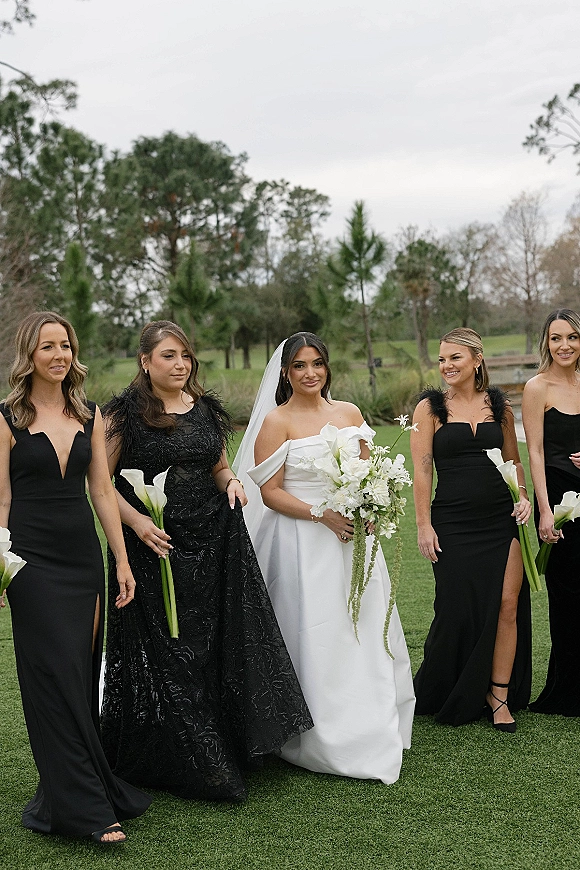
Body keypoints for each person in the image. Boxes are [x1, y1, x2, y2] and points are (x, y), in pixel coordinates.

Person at [100, 321, 312, 802]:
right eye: (169, 356)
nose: (180, 365)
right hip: (154, 546)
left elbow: (217, 465)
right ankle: (194, 759)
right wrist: (137, 523)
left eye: (185, 357)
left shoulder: (206, 409)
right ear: (145, 362)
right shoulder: (123, 415)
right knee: (169, 648)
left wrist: (232, 482)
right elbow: (102, 484)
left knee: (210, 643)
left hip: (213, 542)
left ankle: (222, 743)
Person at [234, 332, 415, 784]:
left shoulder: (350, 413)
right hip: (302, 544)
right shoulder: (277, 421)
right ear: (285, 373)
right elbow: (270, 493)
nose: (310, 373)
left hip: (355, 538)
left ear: (327, 367)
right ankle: (319, 734)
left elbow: (369, 470)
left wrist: (373, 504)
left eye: (317, 363)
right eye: (299, 366)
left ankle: (372, 719)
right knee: (317, 632)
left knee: (366, 626)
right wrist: (322, 514)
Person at [0, 311, 151, 844]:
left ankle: (75, 788)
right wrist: (0, 568)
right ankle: (84, 811)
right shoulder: (5, 418)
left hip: (82, 560)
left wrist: (123, 561)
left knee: (81, 677)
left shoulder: (89, 416)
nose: (59, 355)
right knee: (53, 678)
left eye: (65, 345)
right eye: (48, 347)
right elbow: (1, 500)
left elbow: (103, 493)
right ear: (29, 355)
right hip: (30, 563)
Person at [410, 327, 532, 730]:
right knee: (455, 608)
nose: (446, 366)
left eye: (455, 358)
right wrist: (424, 524)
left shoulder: (501, 406)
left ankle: (498, 697)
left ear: (477, 360)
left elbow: (514, 462)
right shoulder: (428, 408)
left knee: (507, 606)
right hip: (453, 521)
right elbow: (422, 470)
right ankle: (447, 685)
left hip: (500, 520)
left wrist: (524, 496)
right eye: (442, 359)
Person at [522, 309, 580, 716]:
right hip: (560, 501)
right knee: (567, 594)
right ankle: (567, 691)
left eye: (572, 337)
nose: (565, 346)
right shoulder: (536, 387)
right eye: (557, 338)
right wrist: (545, 510)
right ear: (546, 342)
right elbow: (536, 452)